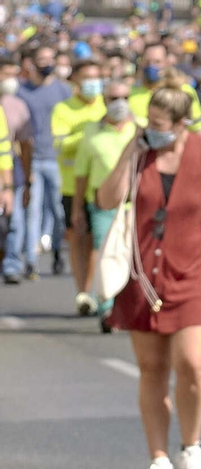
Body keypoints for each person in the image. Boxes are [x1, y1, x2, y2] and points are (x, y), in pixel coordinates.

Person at [97, 78, 201, 469]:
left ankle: (192, 447)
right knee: (152, 371)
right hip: (144, 277)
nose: (153, 129)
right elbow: (106, 200)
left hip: (196, 275)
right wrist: (132, 148)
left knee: (194, 366)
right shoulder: (140, 153)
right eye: (149, 122)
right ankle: (159, 462)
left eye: (161, 123)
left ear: (183, 124)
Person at [71, 76, 133, 324]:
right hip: (101, 204)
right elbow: (81, 173)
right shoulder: (91, 131)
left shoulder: (140, 129)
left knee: (131, 254)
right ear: (104, 101)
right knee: (104, 251)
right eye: (114, 98)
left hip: (134, 204)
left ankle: (129, 303)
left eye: (125, 98)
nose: (120, 103)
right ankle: (107, 306)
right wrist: (77, 208)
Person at [54, 58, 104, 316]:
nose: (93, 84)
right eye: (87, 78)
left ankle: (94, 292)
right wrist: (87, 132)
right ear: (75, 81)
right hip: (73, 185)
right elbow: (60, 145)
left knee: (98, 241)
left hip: (100, 186)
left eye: (97, 78)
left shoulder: (108, 106)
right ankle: (82, 292)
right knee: (78, 239)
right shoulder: (64, 109)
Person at [20, 43, 69, 281]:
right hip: (32, 159)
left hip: (57, 160)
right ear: (32, 62)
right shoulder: (22, 91)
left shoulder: (64, 90)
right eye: (42, 58)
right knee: (33, 210)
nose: (47, 62)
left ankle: (58, 250)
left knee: (58, 211)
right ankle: (31, 261)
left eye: (51, 57)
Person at [0, 58, 32, 286]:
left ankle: (12, 264)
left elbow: (12, 148)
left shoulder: (17, 106)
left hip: (10, 172)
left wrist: (10, 186)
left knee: (14, 221)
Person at [129, 41, 201, 125]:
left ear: (166, 63)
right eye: (147, 62)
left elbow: (197, 128)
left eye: (157, 62)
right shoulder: (130, 93)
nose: (151, 66)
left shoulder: (183, 91)